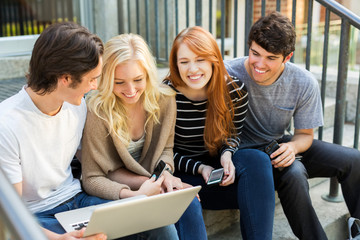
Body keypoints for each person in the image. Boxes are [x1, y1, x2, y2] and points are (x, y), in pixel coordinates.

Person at [0, 22, 174, 240]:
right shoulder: (7, 125)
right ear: (65, 79)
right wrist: (58, 239)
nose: (96, 86)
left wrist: (137, 194)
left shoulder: (77, 105)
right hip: (36, 216)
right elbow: (10, 216)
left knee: (157, 223)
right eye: (92, 79)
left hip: (77, 200)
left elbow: (97, 167)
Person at [225, 11, 360, 240]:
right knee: (295, 175)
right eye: (255, 53)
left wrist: (293, 148)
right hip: (243, 153)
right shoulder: (228, 72)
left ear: (287, 57)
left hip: (277, 146)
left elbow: (305, 135)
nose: (259, 64)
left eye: (270, 58)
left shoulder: (303, 82)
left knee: (353, 160)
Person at [81, 33, 207, 240]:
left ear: (148, 74)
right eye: (119, 82)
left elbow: (166, 150)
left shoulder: (165, 100)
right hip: (116, 191)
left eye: (138, 80)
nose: (130, 90)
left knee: (190, 201)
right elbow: (93, 178)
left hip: (151, 181)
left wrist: (166, 174)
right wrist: (146, 185)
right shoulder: (97, 110)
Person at [163, 26, 275, 240]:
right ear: (176, 65)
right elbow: (163, 153)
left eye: (200, 60)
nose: (193, 69)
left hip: (219, 174)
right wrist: (200, 167)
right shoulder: (166, 96)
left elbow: (233, 133)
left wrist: (227, 154)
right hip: (186, 177)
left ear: (214, 59)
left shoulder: (235, 90)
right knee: (182, 195)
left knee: (258, 160)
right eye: (184, 62)